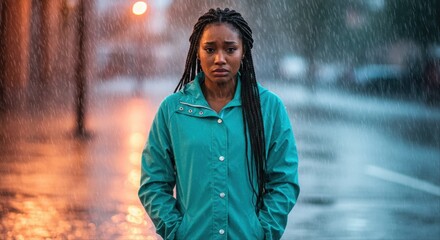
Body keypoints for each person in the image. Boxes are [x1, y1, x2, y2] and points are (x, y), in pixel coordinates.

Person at [138, 8, 299, 240]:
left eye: (230, 49)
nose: (219, 58)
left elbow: (284, 180)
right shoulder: (173, 111)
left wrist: (264, 231)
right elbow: (153, 183)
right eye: (210, 49)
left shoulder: (269, 108)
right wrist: (176, 231)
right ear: (197, 52)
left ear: (243, 52)